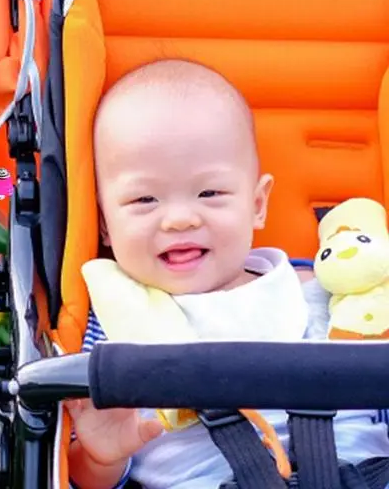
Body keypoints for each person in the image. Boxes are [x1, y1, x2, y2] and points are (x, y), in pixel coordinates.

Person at [67, 59, 389, 489]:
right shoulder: (106, 332)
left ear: (257, 204)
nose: (179, 219)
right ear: (105, 221)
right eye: (144, 199)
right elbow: (84, 478)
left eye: (210, 193)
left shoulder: (329, 291)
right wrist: (99, 458)